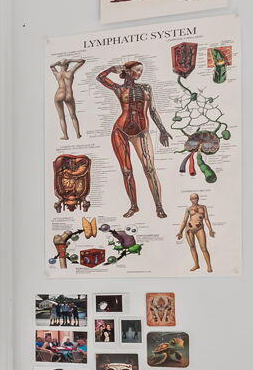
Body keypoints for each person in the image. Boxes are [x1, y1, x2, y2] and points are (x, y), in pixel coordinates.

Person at [95, 60, 171, 218]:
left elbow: (153, 110)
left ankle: (159, 207)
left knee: (149, 169)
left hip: (141, 132)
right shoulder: (119, 88)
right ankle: (134, 206)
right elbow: (100, 78)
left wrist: (162, 130)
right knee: (126, 171)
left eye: (141, 71)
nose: (140, 73)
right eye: (137, 70)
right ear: (128, 71)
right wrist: (111, 69)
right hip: (120, 131)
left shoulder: (146, 88)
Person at [177, 192, 215, 272]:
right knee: (192, 247)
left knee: (204, 248)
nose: (194, 200)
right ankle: (196, 265)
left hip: (200, 229)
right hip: (189, 230)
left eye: (196, 198)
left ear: (198, 198)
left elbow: (206, 219)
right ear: (190, 200)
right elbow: (184, 220)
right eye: (192, 198)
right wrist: (180, 231)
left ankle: (209, 266)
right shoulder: (188, 209)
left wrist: (210, 229)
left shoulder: (203, 207)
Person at [50, 57, 85, 140]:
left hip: (59, 94)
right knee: (73, 116)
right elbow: (82, 61)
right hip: (68, 94)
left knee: (61, 117)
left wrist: (57, 63)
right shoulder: (70, 72)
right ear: (67, 65)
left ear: (60, 66)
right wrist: (71, 60)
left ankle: (65, 136)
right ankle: (78, 134)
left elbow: (51, 66)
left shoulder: (57, 74)